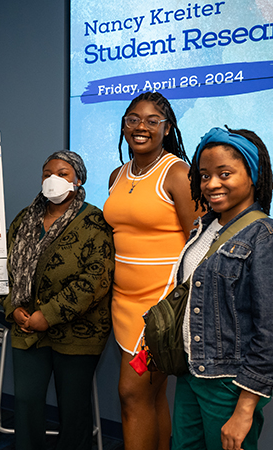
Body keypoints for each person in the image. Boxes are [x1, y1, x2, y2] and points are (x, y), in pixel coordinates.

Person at [171, 127, 273, 450]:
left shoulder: (269, 237)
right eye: (204, 175)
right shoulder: (204, 227)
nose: (211, 184)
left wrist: (244, 410)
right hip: (191, 374)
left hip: (229, 385)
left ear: (253, 175)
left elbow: (271, 333)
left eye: (224, 173)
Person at [103, 91, 199, 450]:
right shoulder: (117, 174)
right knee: (151, 397)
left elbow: (199, 243)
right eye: (133, 119)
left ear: (167, 128)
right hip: (122, 304)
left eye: (151, 120)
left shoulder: (177, 172)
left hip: (159, 308)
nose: (140, 126)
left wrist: (178, 308)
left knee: (131, 393)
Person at [0, 151, 115, 450]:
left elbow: (94, 281)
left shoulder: (94, 221)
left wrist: (47, 315)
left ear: (78, 179)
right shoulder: (24, 219)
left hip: (78, 332)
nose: (53, 179)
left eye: (63, 173)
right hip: (27, 329)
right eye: (47, 173)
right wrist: (14, 309)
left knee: (73, 407)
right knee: (26, 401)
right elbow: (3, 270)